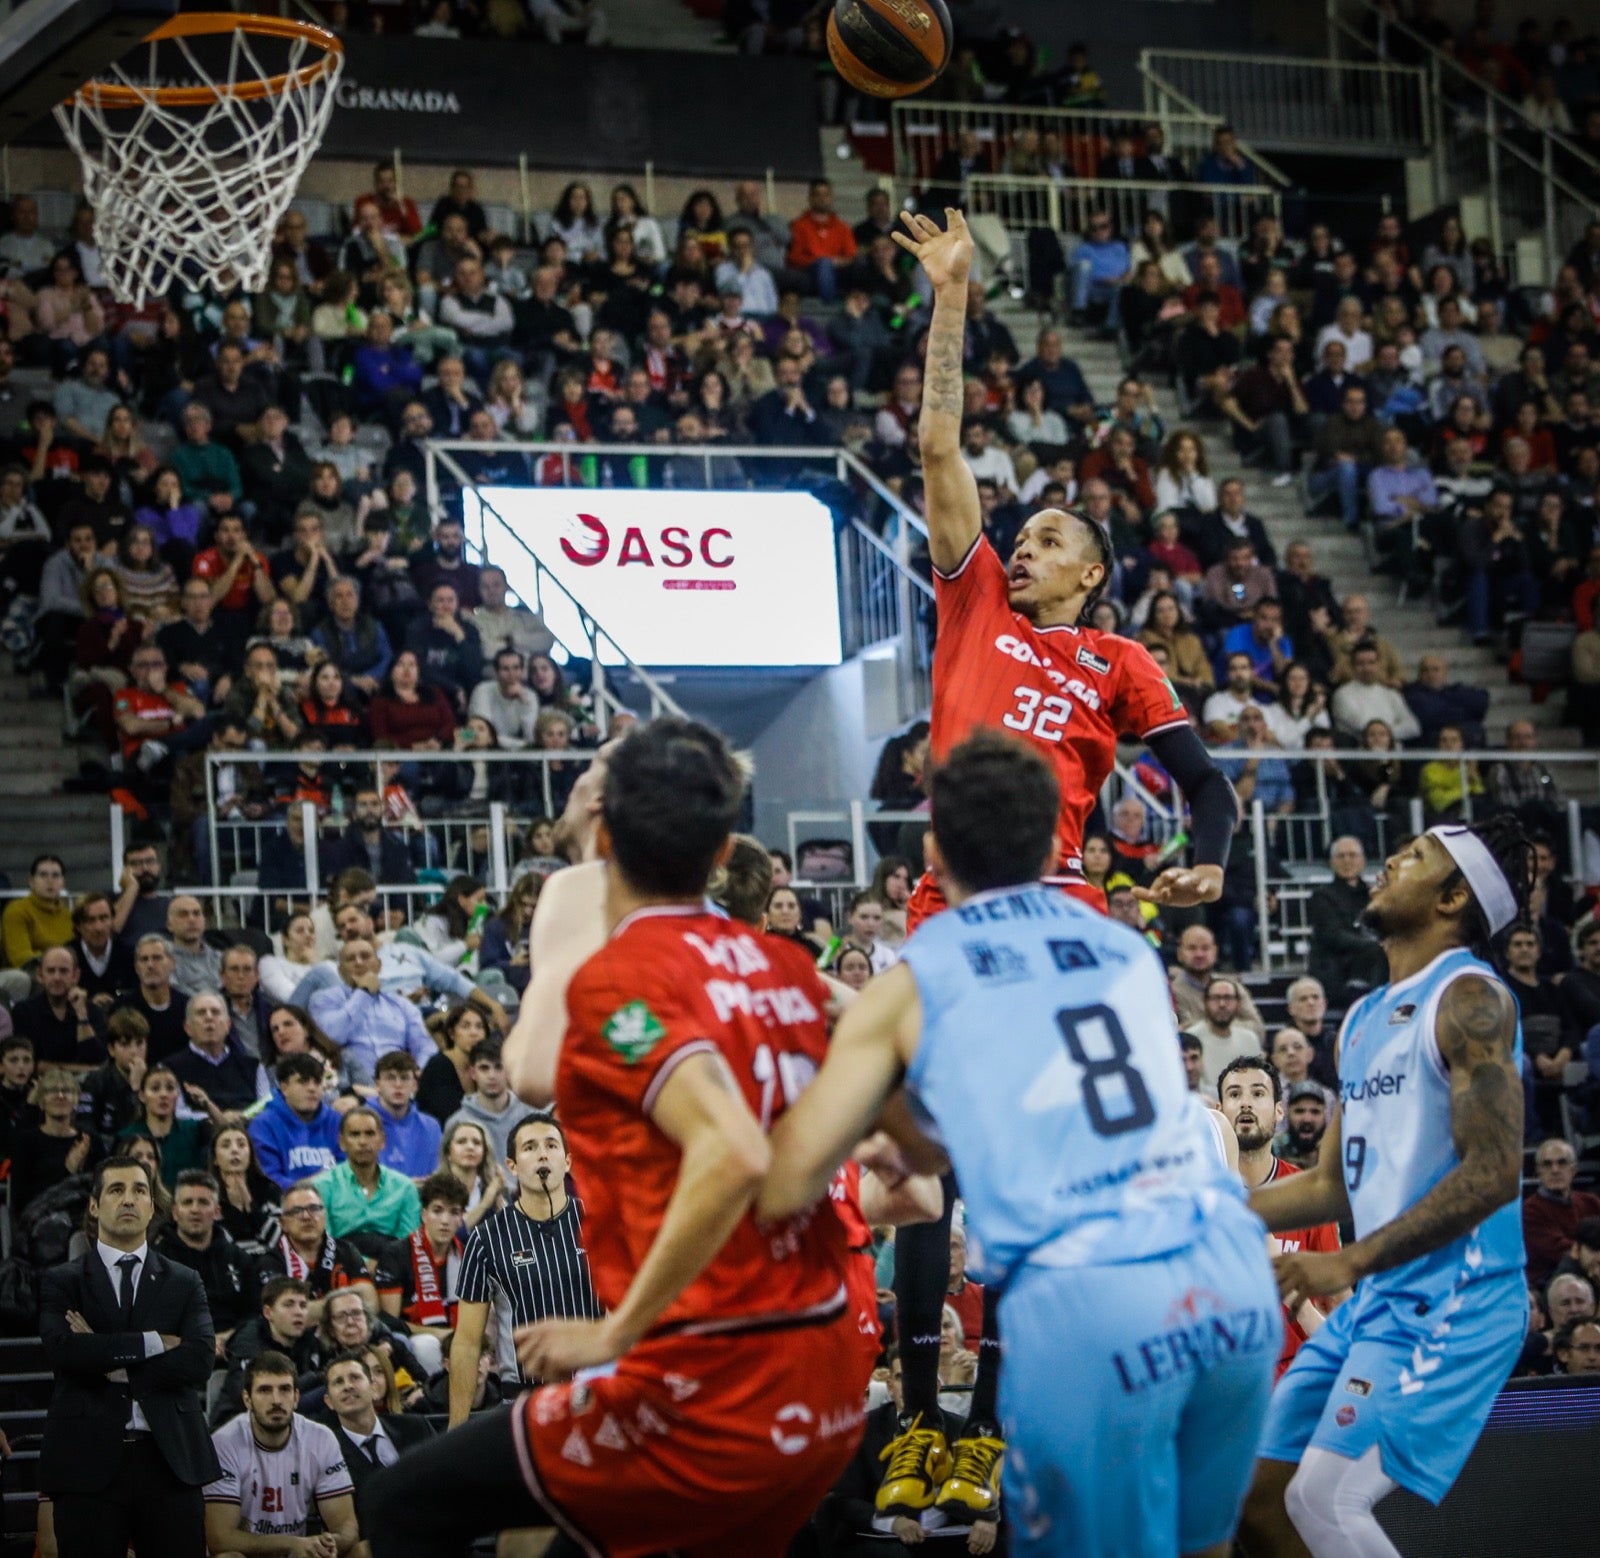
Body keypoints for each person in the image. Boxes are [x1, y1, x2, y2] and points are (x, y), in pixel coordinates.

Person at [758, 732, 1279, 1556]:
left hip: (1098, 1300)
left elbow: (801, 1179)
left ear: (932, 850)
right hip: (1230, 1278)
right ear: (1051, 845)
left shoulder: (921, 971)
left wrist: (860, 1064)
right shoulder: (1124, 952)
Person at [368, 719, 869, 1558]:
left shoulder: (620, 968)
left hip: (714, 1382)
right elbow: (901, 1096)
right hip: (827, 1372)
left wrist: (615, 1330)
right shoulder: (783, 966)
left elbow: (541, 1072)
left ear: (601, 831)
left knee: (398, 1505)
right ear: (724, 853)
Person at [1241, 819, 1534, 1556]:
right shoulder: (1365, 1018)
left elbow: (1495, 1172)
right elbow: (1331, 1187)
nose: (1389, 863)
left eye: (1414, 858)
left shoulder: (1471, 999)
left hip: (1460, 1298)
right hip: (1379, 1300)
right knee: (1256, 1498)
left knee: (1325, 1498)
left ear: (1452, 896)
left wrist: (1348, 1261)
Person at [38, 1154, 221, 1557]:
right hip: (86, 1462)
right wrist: (153, 1342)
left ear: (152, 1206)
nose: (128, 1200)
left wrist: (113, 1366)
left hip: (170, 1460)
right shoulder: (62, 1280)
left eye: (139, 1190)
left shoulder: (184, 1280)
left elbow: (200, 1359)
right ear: (93, 1204)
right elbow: (66, 1351)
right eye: (116, 1190)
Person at [441, 1116, 600, 1424]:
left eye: (551, 1145)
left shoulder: (601, 1222)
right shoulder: (486, 1237)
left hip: (598, 1389)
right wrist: (456, 1424)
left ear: (567, 1162)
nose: (542, 1154)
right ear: (511, 1167)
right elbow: (467, 1341)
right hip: (525, 1399)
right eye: (530, 1147)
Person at [1217, 1057, 1345, 1382]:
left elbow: (1339, 1297)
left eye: (1258, 1094)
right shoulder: (1201, 1198)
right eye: (1234, 1094)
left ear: (1278, 1111)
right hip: (1226, 1375)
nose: (1245, 1102)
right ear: (1219, 1112)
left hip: (1298, 1374)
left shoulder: (1308, 1194)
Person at [204, 1350, 360, 1554]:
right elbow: (220, 1539)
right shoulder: (224, 1444)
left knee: (364, 1550)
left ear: (296, 1397)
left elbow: (347, 1530)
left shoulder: (321, 1438)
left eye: (284, 1389)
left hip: (299, 1553)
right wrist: (292, 1543)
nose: (276, 1400)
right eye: (265, 1390)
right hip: (250, 1553)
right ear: (247, 1399)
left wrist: (326, 1545)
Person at [154, 1170, 262, 1351]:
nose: (195, 1209)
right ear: (175, 1212)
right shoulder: (156, 1261)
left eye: (203, 1202)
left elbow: (254, 1314)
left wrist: (229, 1339)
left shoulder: (240, 1259)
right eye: (188, 1202)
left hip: (232, 1351)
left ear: (217, 1211)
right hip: (177, 1355)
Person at [321, 1350, 435, 1503]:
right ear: (329, 1402)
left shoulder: (416, 1427)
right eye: (338, 1382)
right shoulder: (327, 1454)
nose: (347, 1386)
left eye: (355, 1378)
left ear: (373, 1388)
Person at [313, 1106, 422, 1244]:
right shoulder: (322, 1186)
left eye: (370, 1134)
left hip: (392, 1263)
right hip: (340, 1263)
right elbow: (322, 1244)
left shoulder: (405, 1188)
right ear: (342, 1142)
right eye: (354, 1134)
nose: (363, 1142)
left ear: (382, 1141)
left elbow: (409, 1244)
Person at [1307, 836, 1388, 1003]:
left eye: (1352, 855)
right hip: (1336, 965)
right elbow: (1332, 934)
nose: (1347, 861)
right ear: (1331, 862)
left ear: (1363, 861)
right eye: (1341, 856)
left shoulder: (1374, 895)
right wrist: (1371, 945)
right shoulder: (1322, 896)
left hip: (1370, 959)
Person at [250, 1052, 345, 1190]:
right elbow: (268, 1182)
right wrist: (312, 1186)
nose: (312, 1088)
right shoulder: (263, 1125)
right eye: (303, 1081)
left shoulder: (336, 1121)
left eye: (317, 1082)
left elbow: (350, 1169)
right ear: (284, 1088)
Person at [442, 1035, 533, 1174]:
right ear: (473, 1073)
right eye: (484, 1068)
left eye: (498, 1067)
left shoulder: (532, 1116)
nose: (492, 1075)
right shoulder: (457, 1123)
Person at [1524, 1139, 1600, 1288]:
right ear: (1538, 1171)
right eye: (1547, 1164)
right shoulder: (1530, 1210)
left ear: (1574, 1169)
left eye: (1562, 1163)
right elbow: (1559, 1251)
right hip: (1551, 1282)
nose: (1555, 1170)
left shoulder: (1591, 1202)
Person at [372, 1050, 441, 1179]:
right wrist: (405, 1189)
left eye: (404, 1078)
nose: (398, 1085)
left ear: (415, 1085)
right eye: (390, 1078)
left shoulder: (431, 1126)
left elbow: (437, 1174)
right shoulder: (361, 1122)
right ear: (377, 1085)